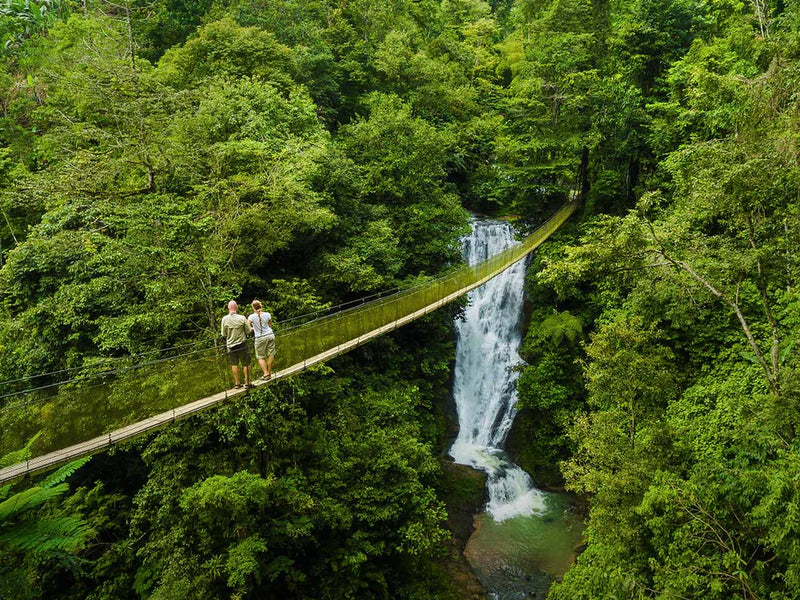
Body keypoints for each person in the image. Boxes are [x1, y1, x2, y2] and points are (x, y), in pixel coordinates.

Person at [221, 300, 252, 389]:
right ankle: (247, 383)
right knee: (246, 363)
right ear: (236, 307)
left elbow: (223, 334)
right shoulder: (242, 318)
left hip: (230, 345)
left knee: (234, 363)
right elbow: (248, 330)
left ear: (228, 308)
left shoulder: (224, 319)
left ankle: (237, 383)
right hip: (242, 344)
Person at [248, 300, 275, 381]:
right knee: (271, 354)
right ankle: (269, 373)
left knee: (260, 357)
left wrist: (253, 329)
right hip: (270, 335)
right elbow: (270, 325)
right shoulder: (267, 314)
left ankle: (266, 374)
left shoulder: (251, 317)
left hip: (260, 338)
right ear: (261, 306)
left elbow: (248, 328)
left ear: (253, 308)